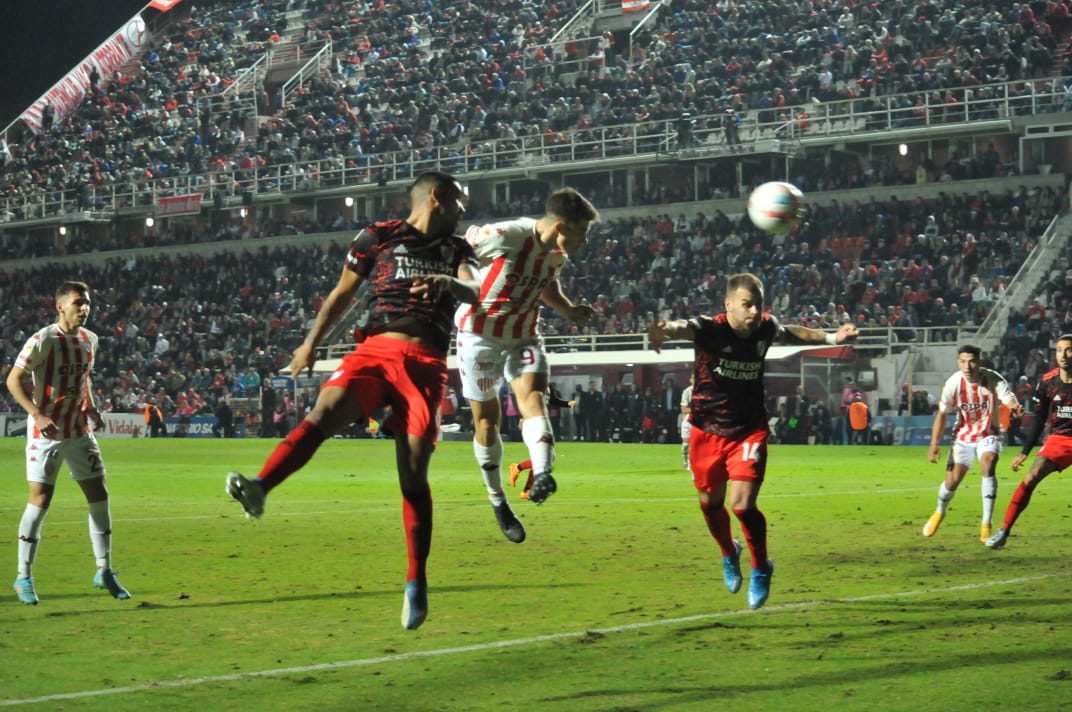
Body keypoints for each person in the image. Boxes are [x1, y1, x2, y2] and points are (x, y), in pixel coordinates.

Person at [224, 172, 478, 630]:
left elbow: (476, 290)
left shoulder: (458, 250)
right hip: (375, 350)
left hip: (426, 360)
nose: (464, 210)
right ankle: (261, 486)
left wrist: (448, 283)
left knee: (413, 472)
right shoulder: (378, 236)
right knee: (322, 413)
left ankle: (416, 580)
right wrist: (310, 344)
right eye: (460, 201)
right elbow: (341, 294)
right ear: (438, 197)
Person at [647, 273, 858, 610]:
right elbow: (683, 327)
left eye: (759, 304)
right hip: (706, 429)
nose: (755, 311)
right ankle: (729, 552)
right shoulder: (711, 328)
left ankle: (761, 567)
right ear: (728, 305)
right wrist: (665, 329)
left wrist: (833, 336)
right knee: (709, 504)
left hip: (748, 429)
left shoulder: (765, 327)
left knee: (742, 505)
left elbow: (790, 332)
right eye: (747, 305)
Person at [454, 188, 599, 543]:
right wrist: (465, 283)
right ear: (560, 226)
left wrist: (568, 310)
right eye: (581, 233)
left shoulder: (557, 256)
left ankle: (544, 472)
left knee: (533, 396)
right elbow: (458, 252)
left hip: (523, 336)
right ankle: (497, 500)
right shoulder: (506, 235)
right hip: (479, 335)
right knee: (487, 422)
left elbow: (547, 287)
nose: (583, 241)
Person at [6, 280, 131, 605]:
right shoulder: (43, 340)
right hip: (46, 433)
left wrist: (91, 406)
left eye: (86, 302)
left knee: (99, 494)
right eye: (78, 302)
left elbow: (83, 377)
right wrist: (36, 414)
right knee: (40, 499)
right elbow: (13, 380)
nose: (84, 308)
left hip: (78, 430)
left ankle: (104, 570)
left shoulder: (91, 340)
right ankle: (23, 576)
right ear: (60, 306)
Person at [923, 344, 1023, 542]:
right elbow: (942, 414)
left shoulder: (993, 379)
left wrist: (1015, 407)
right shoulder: (953, 383)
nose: (967, 367)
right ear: (958, 362)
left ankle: (986, 523)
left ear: (979, 362)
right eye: (963, 362)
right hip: (963, 436)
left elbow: (1009, 398)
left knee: (988, 462)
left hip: (989, 433)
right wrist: (934, 444)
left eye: (971, 362)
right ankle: (939, 511)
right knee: (952, 481)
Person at [986, 334, 1072, 549]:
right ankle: (1004, 531)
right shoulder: (1047, 382)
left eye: (1069, 350)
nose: (1063, 355)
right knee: (1031, 477)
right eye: (1059, 350)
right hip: (1060, 438)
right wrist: (1025, 451)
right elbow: (1040, 419)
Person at [508, 391, 578, 499]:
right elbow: (515, 395)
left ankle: (526, 490)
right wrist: (522, 416)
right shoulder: (532, 383)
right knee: (546, 456)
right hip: (533, 423)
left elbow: (551, 399)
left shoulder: (545, 386)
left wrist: (567, 404)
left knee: (543, 457)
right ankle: (518, 469)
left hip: (542, 422)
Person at [680, 373, 694, 470]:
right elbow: (684, 410)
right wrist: (698, 409)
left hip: (699, 421)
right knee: (685, 445)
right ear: (690, 380)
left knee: (693, 444)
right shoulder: (687, 391)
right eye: (694, 378)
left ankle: (690, 463)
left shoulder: (705, 391)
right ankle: (685, 461)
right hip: (687, 420)